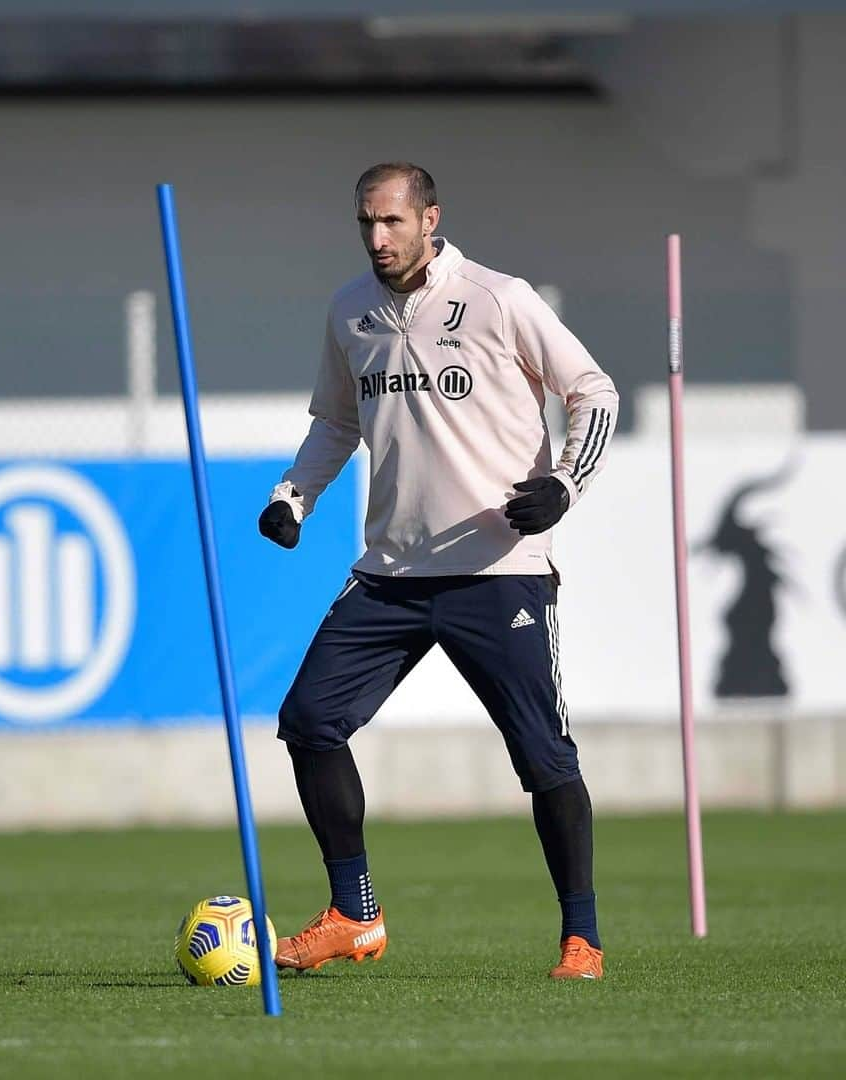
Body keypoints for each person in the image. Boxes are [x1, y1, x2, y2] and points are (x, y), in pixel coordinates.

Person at [258, 162, 618, 980]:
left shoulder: (499, 298)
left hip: (497, 568)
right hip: (390, 572)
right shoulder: (350, 309)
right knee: (309, 721)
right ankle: (355, 913)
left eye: (391, 222)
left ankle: (582, 938)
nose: (378, 239)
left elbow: (593, 392)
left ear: (430, 219)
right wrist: (294, 496)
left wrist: (565, 483)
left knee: (543, 756)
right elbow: (336, 423)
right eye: (365, 224)